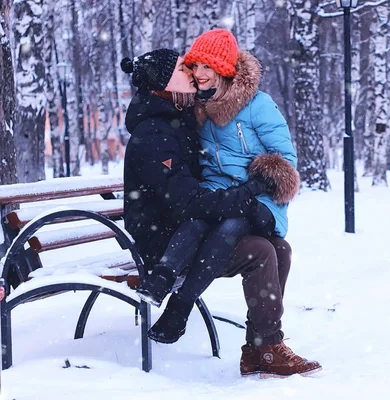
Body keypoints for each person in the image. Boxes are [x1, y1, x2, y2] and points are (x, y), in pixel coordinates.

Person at [121, 49, 321, 378]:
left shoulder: (179, 122)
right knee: (259, 251)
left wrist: (246, 199)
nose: (192, 80)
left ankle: (258, 349)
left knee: (278, 248)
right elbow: (185, 200)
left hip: (188, 230)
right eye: (183, 75)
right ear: (165, 87)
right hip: (164, 244)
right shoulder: (154, 136)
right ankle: (267, 346)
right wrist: (242, 198)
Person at [184, 28, 297, 240]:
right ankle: (163, 274)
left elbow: (287, 161)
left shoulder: (258, 104)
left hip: (261, 200)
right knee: (194, 226)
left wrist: (255, 189)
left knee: (229, 228)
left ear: (223, 70)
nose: (199, 73)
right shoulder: (197, 107)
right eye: (195, 66)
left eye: (207, 66)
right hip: (220, 197)